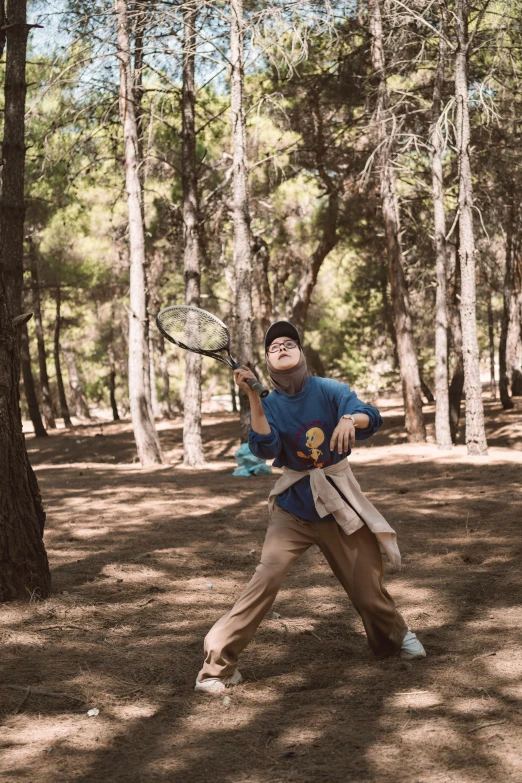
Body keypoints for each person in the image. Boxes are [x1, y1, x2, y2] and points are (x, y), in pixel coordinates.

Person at [195, 321, 425, 694]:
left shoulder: (329, 390)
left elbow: (371, 415)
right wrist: (254, 398)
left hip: (338, 505)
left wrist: (351, 417)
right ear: (268, 361)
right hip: (293, 510)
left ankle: (394, 639)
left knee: (367, 586)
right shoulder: (267, 402)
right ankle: (216, 666)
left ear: (301, 352)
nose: (282, 348)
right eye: (274, 347)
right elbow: (264, 447)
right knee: (265, 578)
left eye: (289, 343)